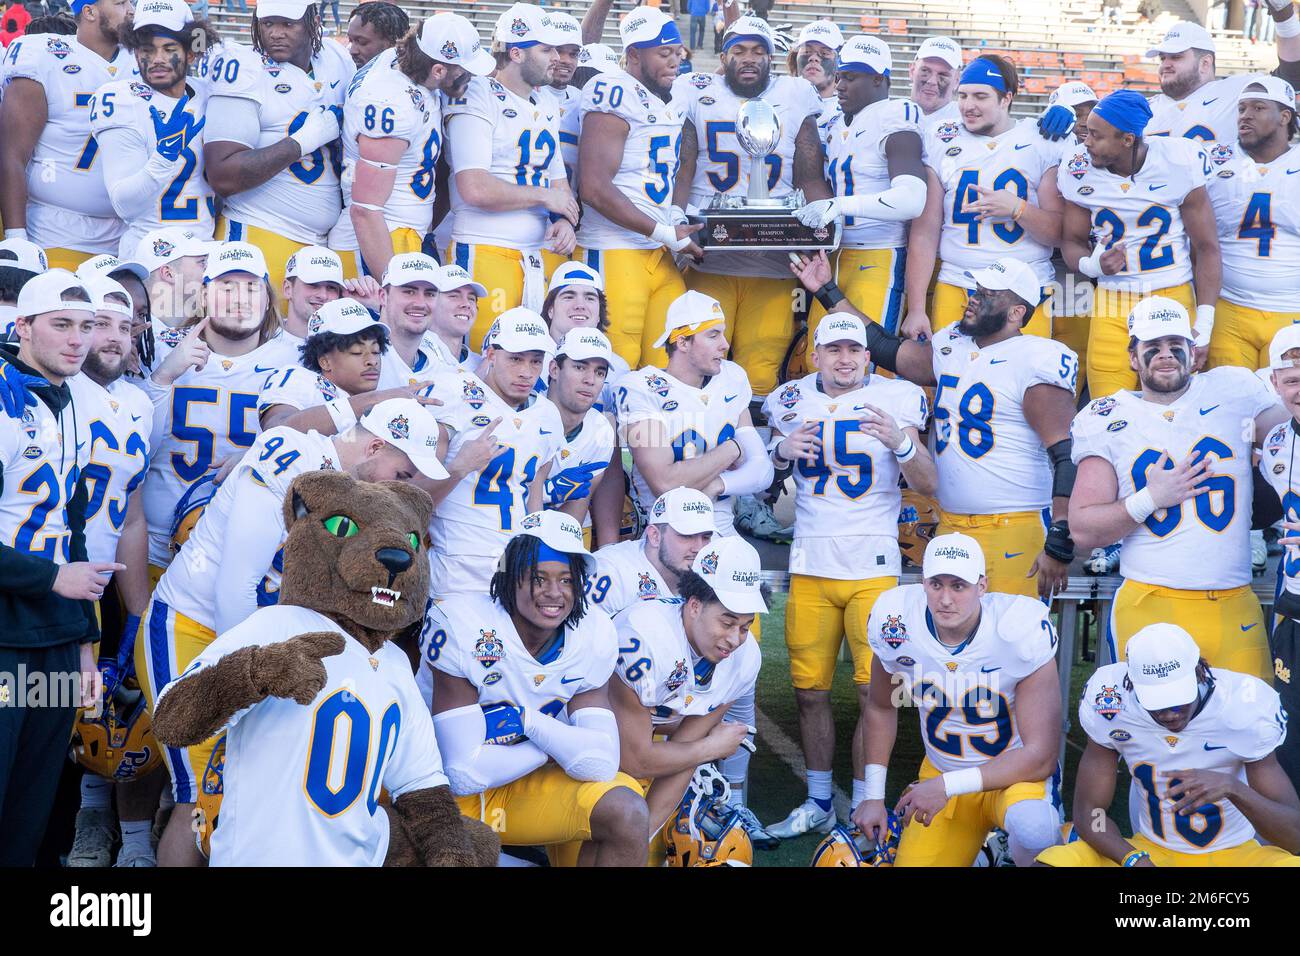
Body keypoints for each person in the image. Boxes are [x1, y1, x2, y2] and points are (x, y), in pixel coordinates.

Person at [141, 396, 446, 865]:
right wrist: (250, 660)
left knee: (252, 788)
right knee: (201, 794)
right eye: (403, 474)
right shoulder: (291, 452)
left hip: (270, 640)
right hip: (196, 623)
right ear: (375, 447)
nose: (401, 487)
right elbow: (235, 585)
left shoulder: (346, 489)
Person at [761, 312, 935, 840]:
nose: (844, 359)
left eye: (853, 351)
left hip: (872, 566)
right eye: (832, 349)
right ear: (815, 354)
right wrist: (780, 453)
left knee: (871, 694)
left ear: (867, 356)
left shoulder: (900, 398)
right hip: (810, 561)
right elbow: (763, 482)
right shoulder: (787, 400)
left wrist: (902, 445)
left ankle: (865, 804)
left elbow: (930, 482)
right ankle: (818, 800)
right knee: (809, 692)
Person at [420, 510, 650, 866]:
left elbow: (602, 762)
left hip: (522, 787)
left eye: (566, 580)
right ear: (510, 578)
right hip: (442, 800)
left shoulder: (594, 633)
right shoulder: (462, 624)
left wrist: (527, 722)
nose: (553, 593)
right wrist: (561, 747)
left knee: (627, 809)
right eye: (538, 578)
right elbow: (464, 772)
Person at [1069, 297, 1282, 680]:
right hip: (1151, 600)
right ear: (1133, 356)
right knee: (1151, 731)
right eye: (1153, 346)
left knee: (1250, 730)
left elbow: (1289, 436)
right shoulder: (1107, 416)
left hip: (1234, 600)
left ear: (1193, 351)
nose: (1165, 355)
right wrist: (1150, 499)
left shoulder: (1236, 388)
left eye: (1175, 345)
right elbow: (1083, 529)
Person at [856, 534, 1063, 867]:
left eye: (959, 586)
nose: (946, 599)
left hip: (1012, 779)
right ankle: (982, 853)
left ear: (982, 586)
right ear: (923, 583)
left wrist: (945, 786)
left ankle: (1025, 849)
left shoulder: (1017, 630)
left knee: (1035, 829)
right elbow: (882, 707)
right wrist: (873, 795)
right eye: (936, 584)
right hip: (942, 769)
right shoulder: (897, 623)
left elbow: (1041, 756)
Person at [0, 270, 110, 865]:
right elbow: (57, 563)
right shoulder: (4, 397)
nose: (76, 340)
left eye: (86, 327)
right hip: (6, 630)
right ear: (23, 327)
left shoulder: (66, 400)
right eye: (61, 325)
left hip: (54, 636)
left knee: (35, 809)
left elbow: (73, 530)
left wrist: (86, 642)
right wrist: (49, 580)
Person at [1038, 624, 1300, 866]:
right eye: (1157, 704)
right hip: (1152, 852)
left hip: (1237, 856)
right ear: (1131, 683)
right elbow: (1090, 813)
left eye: (1177, 700)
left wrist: (1233, 789)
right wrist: (1131, 858)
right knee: (1051, 862)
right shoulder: (1113, 702)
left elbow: (1295, 835)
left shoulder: (1242, 706)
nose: (1169, 714)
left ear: (1199, 671)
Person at [672, 14, 830, 397]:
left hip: (774, 264)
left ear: (771, 58)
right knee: (697, 365)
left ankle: (750, 450)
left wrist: (823, 223)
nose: (749, 58)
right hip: (710, 256)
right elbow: (684, 166)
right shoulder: (695, 89)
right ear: (723, 56)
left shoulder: (794, 93)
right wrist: (675, 217)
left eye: (759, 51)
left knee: (759, 372)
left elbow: (809, 174)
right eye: (738, 50)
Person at [63, 276, 160, 868]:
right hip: (39, 584)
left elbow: (131, 516)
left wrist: (140, 615)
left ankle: (124, 843)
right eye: (100, 322)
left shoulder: (140, 402)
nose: (115, 338)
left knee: (107, 719)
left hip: (100, 589)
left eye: (127, 327)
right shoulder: (44, 392)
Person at [137, 241, 299, 580]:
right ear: (205, 295)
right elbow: (133, 452)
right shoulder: (156, 347)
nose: (240, 299)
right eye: (226, 287)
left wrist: (259, 453)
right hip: (153, 550)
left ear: (268, 298)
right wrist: (163, 376)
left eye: (252, 288)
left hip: (243, 558)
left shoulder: (295, 360)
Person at [1057, 90, 1221, 398]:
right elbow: (1071, 241)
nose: (1086, 141)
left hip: (1171, 293)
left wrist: (1205, 324)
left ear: (1128, 139)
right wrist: (1093, 265)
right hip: (1111, 300)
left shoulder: (1179, 160)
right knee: (1108, 405)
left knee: (1171, 403)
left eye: (1096, 134)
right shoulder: (1077, 165)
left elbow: (1207, 247)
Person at [608, 534, 765, 847]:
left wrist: (643, 839)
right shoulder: (645, 637)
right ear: (694, 606)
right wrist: (713, 748)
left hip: (649, 740)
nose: (735, 639)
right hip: (589, 750)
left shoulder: (745, 660)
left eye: (745, 626)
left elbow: (687, 746)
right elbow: (633, 759)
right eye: (727, 622)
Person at [902, 55, 1063, 343]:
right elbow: (925, 231)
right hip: (957, 283)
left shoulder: (1041, 141)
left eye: (980, 96)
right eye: (962, 95)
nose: (968, 105)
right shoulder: (941, 139)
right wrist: (916, 308)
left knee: (1021, 381)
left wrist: (1017, 208)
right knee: (951, 380)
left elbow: (1058, 233)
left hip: (1025, 288)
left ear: (1006, 99)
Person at [445, 4, 577, 348]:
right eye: (546, 49)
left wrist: (564, 220)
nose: (558, 58)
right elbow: (474, 187)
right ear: (516, 52)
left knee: (533, 361)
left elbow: (557, 179)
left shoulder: (546, 101)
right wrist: (547, 197)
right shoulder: (477, 94)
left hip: (536, 255)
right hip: (486, 249)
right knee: (481, 357)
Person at [202, 0, 354, 296]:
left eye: (288, 23)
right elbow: (222, 175)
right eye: (268, 23)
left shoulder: (336, 57)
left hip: (323, 245)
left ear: (314, 21)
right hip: (259, 233)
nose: (275, 34)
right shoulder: (244, 67)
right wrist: (301, 143)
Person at [575, 6, 699, 369]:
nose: (675, 61)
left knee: (669, 365)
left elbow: (681, 159)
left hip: (657, 252)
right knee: (613, 365)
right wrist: (664, 230)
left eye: (677, 52)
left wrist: (673, 214)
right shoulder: (612, 89)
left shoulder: (672, 95)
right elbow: (593, 187)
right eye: (664, 53)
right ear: (633, 55)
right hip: (614, 250)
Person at [334, 13, 492, 281]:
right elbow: (365, 210)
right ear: (438, 70)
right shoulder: (390, 103)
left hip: (400, 232)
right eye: (463, 70)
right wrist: (391, 285)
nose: (469, 77)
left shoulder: (403, 63)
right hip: (380, 239)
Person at [796, 34, 925, 343]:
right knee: (820, 355)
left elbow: (912, 199)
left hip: (878, 255)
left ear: (879, 79)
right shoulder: (837, 122)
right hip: (833, 255)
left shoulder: (895, 114)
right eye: (839, 76)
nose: (839, 85)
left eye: (850, 78)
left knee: (864, 355)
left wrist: (841, 205)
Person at [423, 309, 562, 595]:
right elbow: (412, 499)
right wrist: (461, 466)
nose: (526, 372)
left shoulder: (548, 415)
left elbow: (534, 500)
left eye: (536, 361)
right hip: (456, 566)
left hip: (515, 568)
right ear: (490, 354)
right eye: (515, 359)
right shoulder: (453, 393)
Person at [617, 290, 772, 538]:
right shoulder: (640, 387)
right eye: (713, 335)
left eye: (723, 333)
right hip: (665, 531)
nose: (725, 344)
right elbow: (664, 484)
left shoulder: (732, 377)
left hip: (721, 529)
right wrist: (731, 449)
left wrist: (717, 485)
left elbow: (763, 470)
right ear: (682, 342)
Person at [0, 0, 137, 269]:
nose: (131, 9)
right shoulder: (43, 55)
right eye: (121, 3)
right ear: (89, 11)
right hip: (58, 233)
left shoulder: (141, 61)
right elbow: (11, 153)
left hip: (127, 236)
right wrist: (17, 238)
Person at [90, 0, 217, 257]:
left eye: (169, 48)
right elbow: (124, 205)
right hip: (148, 253)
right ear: (136, 53)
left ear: (191, 53)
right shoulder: (121, 99)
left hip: (203, 249)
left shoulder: (208, 94)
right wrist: (163, 158)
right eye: (147, 50)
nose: (157, 59)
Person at [1205, 77, 1300, 370]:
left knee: (1285, 406)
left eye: (1259, 108)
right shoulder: (1212, 160)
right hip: (1229, 310)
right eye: (1242, 108)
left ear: (1285, 116)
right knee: (1229, 405)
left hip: (1291, 311)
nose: (1246, 115)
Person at [1258, 324, 1300, 792]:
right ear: (1274, 384)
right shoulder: (1275, 443)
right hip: (1292, 609)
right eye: (1292, 379)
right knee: (1291, 745)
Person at [1143, 17, 1300, 142]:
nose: (1165, 64)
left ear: (1205, 63)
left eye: (1176, 57)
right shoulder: (1144, 108)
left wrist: (1284, 18)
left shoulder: (1238, 91)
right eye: (1162, 58)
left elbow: (1291, 76)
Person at [257, 297, 387, 428]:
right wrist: (370, 401)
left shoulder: (385, 399)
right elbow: (277, 427)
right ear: (325, 362)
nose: (372, 361)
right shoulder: (298, 380)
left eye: (376, 351)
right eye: (356, 352)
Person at [590, 485, 715, 616]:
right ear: (655, 536)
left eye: (706, 537)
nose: (699, 548)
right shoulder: (611, 571)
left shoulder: (714, 569)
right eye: (687, 536)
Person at [543, 328, 615, 527]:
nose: (590, 380)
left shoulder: (601, 429)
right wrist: (547, 492)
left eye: (599, 372)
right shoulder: (525, 416)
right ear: (554, 369)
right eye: (580, 367)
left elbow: (576, 511)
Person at [787, 19, 843, 141]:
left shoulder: (847, 115)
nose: (813, 58)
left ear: (839, 63)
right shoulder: (777, 104)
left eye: (824, 53)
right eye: (807, 51)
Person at [279, 244, 344, 343]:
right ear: (288, 289)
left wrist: (374, 305)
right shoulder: (259, 342)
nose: (323, 295)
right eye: (313, 284)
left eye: (331, 287)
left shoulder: (349, 342)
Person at [908, 35, 963, 139]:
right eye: (925, 71)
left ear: (957, 81)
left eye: (943, 75)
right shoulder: (892, 117)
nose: (932, 81)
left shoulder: (965, 123)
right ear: (912, 71)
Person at [344, 0, 407, 70]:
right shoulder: (346, 73)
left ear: (393, 43)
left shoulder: (400, 80)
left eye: (362, 42)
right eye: (350, 40)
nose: (352, 51)